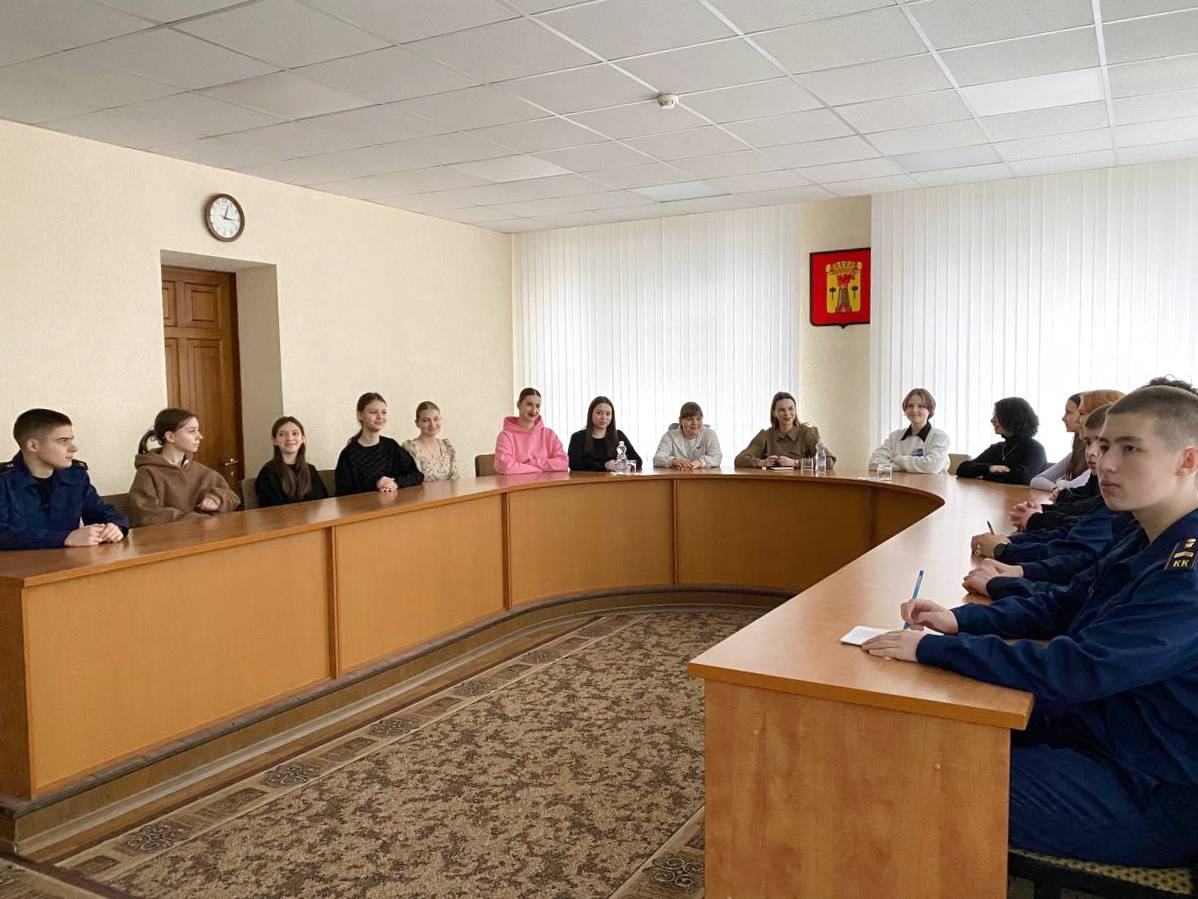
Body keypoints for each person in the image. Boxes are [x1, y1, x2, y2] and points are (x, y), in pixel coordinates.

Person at [862, 385, 1198, 867]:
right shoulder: (1143, 533)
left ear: (1188, 460)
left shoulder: (1186, 571)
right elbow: (1065, 603)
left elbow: (1077, 669)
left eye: (1130, 449)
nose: (1104, 463)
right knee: (922, 731)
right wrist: (959, 620)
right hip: (1097, 728)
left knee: (912, 776)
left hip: (1148, 783)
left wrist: (932, 649)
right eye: (1103, 446)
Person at [963, 404, 1119, 589]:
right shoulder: (1000, 447)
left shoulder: (1033, 448)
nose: (1091, 451)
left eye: (1104, 445)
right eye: (1088, 443)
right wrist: (989, 469)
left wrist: (1005, 550)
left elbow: (1075, 562)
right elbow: (1070, 532)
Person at [0, 409, 128, 549]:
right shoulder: (4, 481)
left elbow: (104, 513)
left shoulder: (75, 475)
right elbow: (3, 534)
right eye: (63, 441)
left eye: (71, 440)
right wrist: (65, 538)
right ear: (33, 445)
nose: (73, 448)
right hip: (18, 562)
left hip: (69, 561)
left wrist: (115, 527)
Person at [1009, 390, 1125, 531]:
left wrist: (1037, 518)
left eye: (1081, 413)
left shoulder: (1108, 470)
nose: (1077, 420)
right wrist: (1043, 509)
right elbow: (1079, 499)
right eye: (1088, 443)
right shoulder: (1081, 453)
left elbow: (1088, 519)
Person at [129, 408, 240, 526]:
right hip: (168, 536)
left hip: (204, 533)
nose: (200, 436)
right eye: (192, 431)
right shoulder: (147, 473)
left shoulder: (202, 471)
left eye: (198, 430)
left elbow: (232, 497)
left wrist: (216, 499)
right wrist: (192, 519)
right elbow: (145, 514)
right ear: (170, 436)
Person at [335, 392, 423, 496]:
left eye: (384, 412)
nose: (380, 416)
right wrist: (377, 484)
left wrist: (395, 482)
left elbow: (417, 476)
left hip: (394, 504)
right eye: (373, 412)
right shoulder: (348, 455)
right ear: (360, 415)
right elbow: (343, 494)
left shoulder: (391, 446)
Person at [954, 397, 1047, 484]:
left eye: (997, 415)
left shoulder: (1035, 448)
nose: (992, 420)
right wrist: (990, 468)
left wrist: (983, 475)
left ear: (1014, 418)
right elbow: (962, 469)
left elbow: (1021, 477)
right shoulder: (997, 448)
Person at [735, 392, 835, 469]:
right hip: (772, 485)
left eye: (791, 409)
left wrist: (796, 463)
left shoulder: (808, 433)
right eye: (782, 410)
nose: (787, 414)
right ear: (774, 413)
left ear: (795, 410)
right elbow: (739, 460)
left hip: (802, 485)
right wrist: (761, 462)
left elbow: (829, 461)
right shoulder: (765, 435)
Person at [867, 387, 950, 474]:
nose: (914, 410)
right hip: (899, 482)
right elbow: (873, 463)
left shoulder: (940, 437)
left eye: (920, 406)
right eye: (910, 406)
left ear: (929, 410)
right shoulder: (895, 436)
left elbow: (932, 466)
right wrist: (908, 467)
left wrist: (899, 460)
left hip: (932, 483)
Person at [255, 416, 329, 507]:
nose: (289, 438)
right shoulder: (268, 473)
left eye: (295, 433)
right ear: (274, 440)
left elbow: (323, 502)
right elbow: (273, 509)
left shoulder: (311, 470)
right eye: (282, 434)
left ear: (302, 439)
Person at [494, 388, 568, 475]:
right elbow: (504, 466)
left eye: (537, 406)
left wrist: (533, 463)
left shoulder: (549, 435)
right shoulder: (505, 436)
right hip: (517, 483)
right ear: (518, 405)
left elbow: (563, 463)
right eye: (529, 404)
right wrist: (539, 469)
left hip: (547, 483)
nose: (534, 410)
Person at [568, 396, 642, 472]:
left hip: (616, 479)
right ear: (591, 414)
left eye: (608, 414)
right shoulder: (577, 437)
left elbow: (638, 461)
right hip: (588, 479)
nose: (603, 417)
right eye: (599, 413)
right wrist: (605, 465)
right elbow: (573, 463)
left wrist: (625, 463)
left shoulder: (619, 435)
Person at [1028, 393, 1086, 491]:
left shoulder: (1098, 455)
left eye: (1069, 412)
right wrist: (1056, 488)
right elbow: (1036, 480)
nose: (1063, 418)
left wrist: (1061, 485)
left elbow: (1076, 487)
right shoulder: (1078, 451)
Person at [653, 402, 722, 470]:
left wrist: (700, 462)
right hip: (677, 475)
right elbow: (657, 458)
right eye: (690, 419)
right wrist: (673, 461)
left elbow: (717, 457)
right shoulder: (669, 436)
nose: (695, 423)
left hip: (702, 475)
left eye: (698, 419)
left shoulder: (709, 434)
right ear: (680, 421)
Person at [401, 401, 459, 481]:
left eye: (436, 419)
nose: (432, 424)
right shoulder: (410, 448)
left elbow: (455, 479)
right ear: (417, 423)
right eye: (425, 420)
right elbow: (412, 480)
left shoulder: (447, 446)